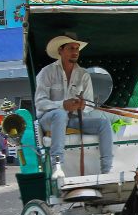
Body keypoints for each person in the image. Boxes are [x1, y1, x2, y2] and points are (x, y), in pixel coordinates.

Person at [34, 35, 113, 174]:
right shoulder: (46, 72)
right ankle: (57, 166)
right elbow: (40, 103)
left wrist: (82, 105)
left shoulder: (83, 75)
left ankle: (107, 170)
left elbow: (89, 105)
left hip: (73, 119)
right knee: (59, 115)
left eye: (77, 48)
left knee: (104, 123)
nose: (75, 51)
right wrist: (63, 105)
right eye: (71, 48)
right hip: (49, 119)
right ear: (60, 50)